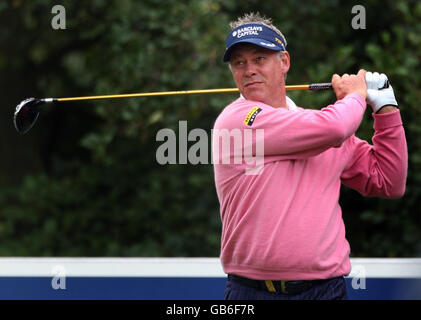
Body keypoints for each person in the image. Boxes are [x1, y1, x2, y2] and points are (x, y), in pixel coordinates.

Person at [212, 12, 408, 300]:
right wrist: (356, 94)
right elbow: (337, 126)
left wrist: (386, 108)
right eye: (239, 63)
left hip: (325, 291)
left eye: (259, 59)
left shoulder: (317, 127)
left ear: (284, 62)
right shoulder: (236, 120)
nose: (249, 70)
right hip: (252, 293)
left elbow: (389, 182)